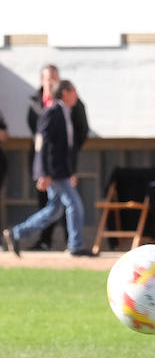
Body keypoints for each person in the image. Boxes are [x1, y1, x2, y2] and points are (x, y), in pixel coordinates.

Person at [5, 80, 93, 257]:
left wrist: (70, 172)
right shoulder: (52, 112)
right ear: (66, 93)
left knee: (54, 210)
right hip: (54, 171)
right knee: (74, 205)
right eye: (74, 91)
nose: (77, 95)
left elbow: (65, 148)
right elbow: (42, 144)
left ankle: (17, 233)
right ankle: (76, 245)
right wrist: (43, 173)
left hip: (61, 171)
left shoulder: (66, 113)